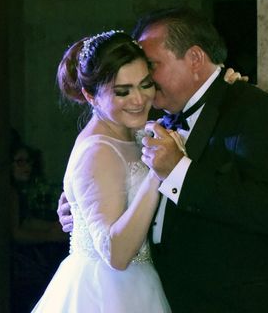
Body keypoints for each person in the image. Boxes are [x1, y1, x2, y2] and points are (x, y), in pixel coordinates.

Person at [59, 7, 268, 313]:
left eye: (152, 67)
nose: (147, 84)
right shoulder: (159, 124)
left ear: (194, 59)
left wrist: (177, 170)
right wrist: (84, 209)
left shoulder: (255, 110)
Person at [31, 30, 171, 312]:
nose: (139, 99)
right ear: (90, 95)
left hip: (138, 285)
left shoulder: (131, 133)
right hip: (107, 292)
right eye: (122, 91)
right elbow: (115, 254)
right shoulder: (98, 151)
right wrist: (157, 174)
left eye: (145, 85)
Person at [9, 133, 68, 313]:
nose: (26, 167)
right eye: (20, 162)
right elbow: (15, 233)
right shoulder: (9, 192)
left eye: (28, 162)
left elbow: (25, 220)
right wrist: (50, 235)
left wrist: (53, 228)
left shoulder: (18, 191)